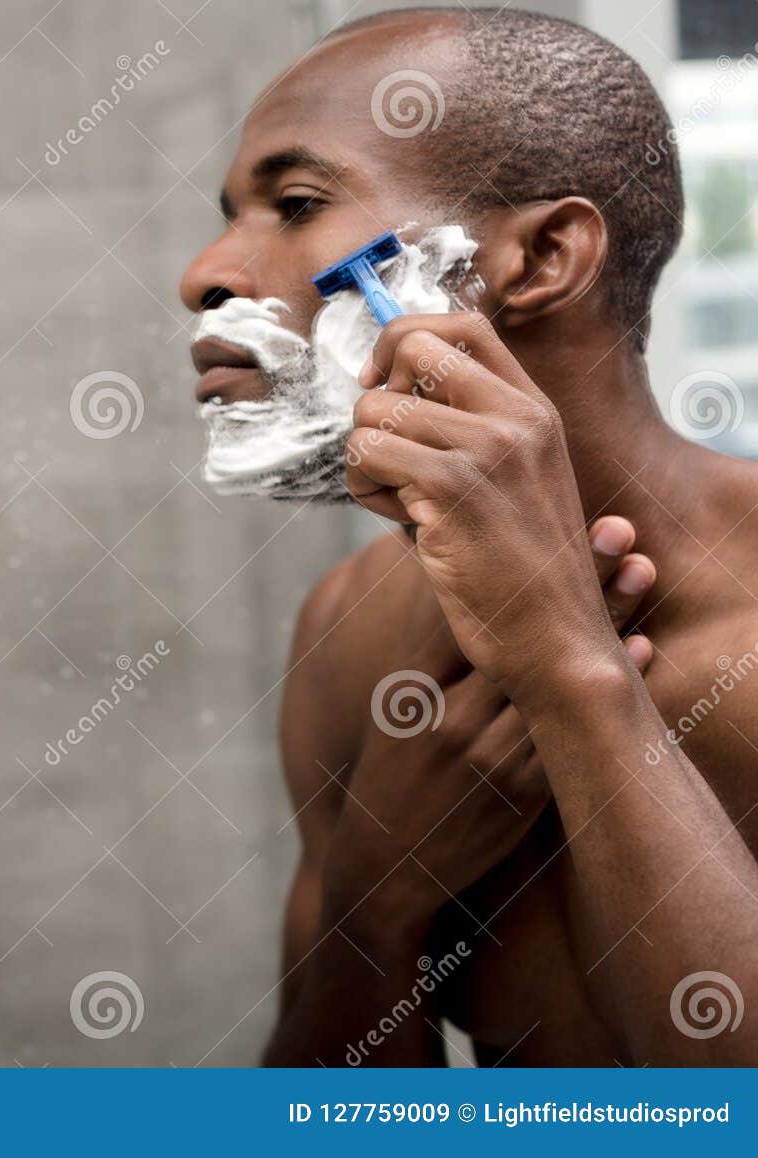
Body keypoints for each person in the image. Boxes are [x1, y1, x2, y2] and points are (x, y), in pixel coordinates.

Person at [178, 7, 758, 1064]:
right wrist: (376, 890)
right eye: (229, 215)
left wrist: (570, 672)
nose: (203, 274)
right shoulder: (346, 633)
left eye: (295, 204)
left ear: (540, 257)